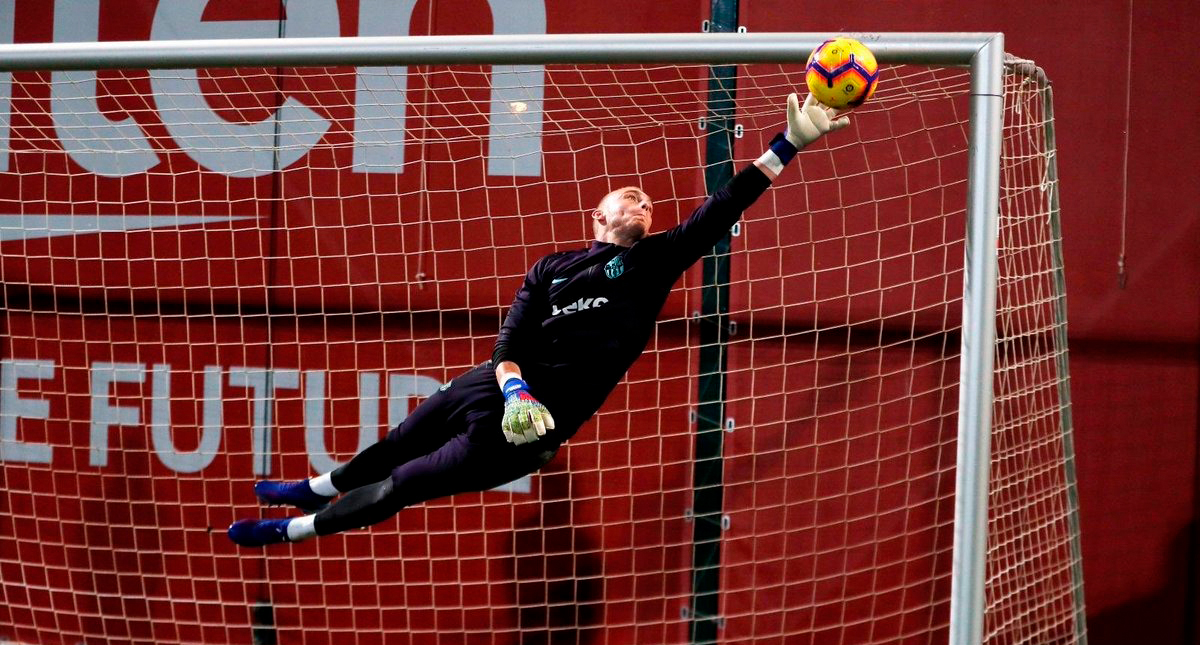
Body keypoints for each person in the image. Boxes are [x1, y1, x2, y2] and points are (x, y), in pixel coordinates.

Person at [227, 94, 850, 547]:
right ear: (597, 216)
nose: (640, 200)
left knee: (402, 484)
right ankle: (316, 486)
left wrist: (788, 144)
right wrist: (513, 386)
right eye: (627, 196)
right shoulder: (551, 266)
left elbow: (723, 207)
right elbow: (509, 342)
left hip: (526, 432)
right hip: (499, 387)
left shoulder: (652, 264)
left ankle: (294, 529)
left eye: (647, 201)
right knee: (399, 441)